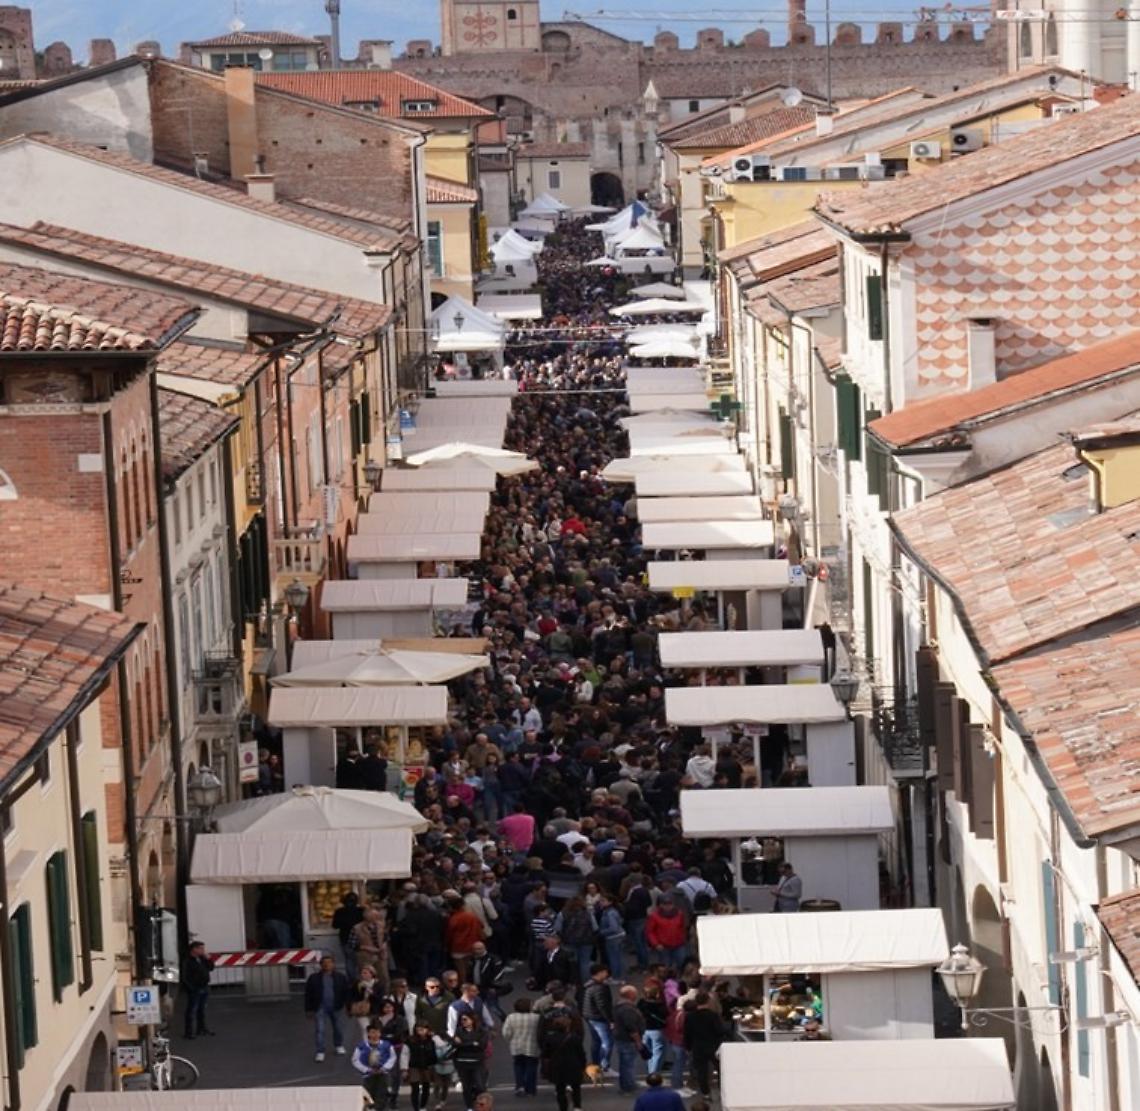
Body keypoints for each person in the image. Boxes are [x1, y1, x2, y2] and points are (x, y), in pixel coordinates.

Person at [305, 954, 350, 1062]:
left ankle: (338, 1045)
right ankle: (320, 1051)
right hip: (320, 1007)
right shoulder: (313, 978)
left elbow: (346, 993)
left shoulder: (341, 977)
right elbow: (308, 994)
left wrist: (348, 1006)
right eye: (324, 963)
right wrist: (308, 1009)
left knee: (338, 1028)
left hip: (336, 1006)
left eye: (329, 962)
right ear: (321, 965)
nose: (327, 965)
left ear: (333, 964)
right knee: (320, 1030)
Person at [682, 992, 726, 1099]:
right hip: (713, 1046)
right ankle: (722, 1090)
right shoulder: (713, 1015)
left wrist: (688, 1047)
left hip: (698, 1046)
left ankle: (705, 1092)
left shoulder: (690, 1016)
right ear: (708, 1001)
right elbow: (720, 1031)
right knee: (720, 1069)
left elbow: (687, 1033)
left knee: (702, 1071)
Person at [542, 1014, 586, 1111]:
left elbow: (546, 1054)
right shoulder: (574, 1038)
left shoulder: (550, 1038)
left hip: (557, 1066)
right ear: (568, 1026)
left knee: (560, 1089)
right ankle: (577, 1106)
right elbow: (581, 1053)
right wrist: (583, 1065)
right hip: (573, 1065)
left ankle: (563, 1107)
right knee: (576, 1087)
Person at [449, 1011, 490, 1111]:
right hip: (462, 1062)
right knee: (466, 1086)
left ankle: (481, 1104)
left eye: (465, 1019)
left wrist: (464, 1043)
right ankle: (469, 1106)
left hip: (477, 1061)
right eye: (462, 1019)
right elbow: (455, 1044)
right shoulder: (458, 1031)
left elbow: (482, 1045)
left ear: (472, 1020)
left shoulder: (481, 1031)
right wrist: (472, 1043)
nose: (463, 1021)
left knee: (480, 1086)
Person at [501, 996, 542, 1097]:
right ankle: (530, 1089)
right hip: (532, 1046)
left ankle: (520, 1086)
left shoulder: (511, 1017)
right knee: (531, 1067)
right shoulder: (536, 1018)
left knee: (518, 1066)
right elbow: (541, 1032)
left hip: (516, 1047)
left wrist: (510, 1040)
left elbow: (506, 1033)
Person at [352, 1022, 398, 1106]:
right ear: (368, 1033)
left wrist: (384, 1068)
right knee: (368, 1095)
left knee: (382, 1095)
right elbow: (355, 1060)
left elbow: (392, 1057)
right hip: (368, 1075)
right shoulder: (362, 1046)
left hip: (383, 1074)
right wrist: (366, 1069)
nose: (375, 1034)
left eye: (377, 1032)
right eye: (373, 1032)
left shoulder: (387, 1045)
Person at [405, 1019, 447, 1111]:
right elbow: (405, 1054)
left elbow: (442, 1045)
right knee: (415, 1088)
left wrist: (434, 1037)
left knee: (426, 1087)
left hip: (428, 1066)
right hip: (414, 1066)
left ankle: (422, 1106)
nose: (420, 1032)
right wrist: (404, 1068)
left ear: (427, 1029)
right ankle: (416, 1108)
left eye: (423, 1029)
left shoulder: (432, 1040)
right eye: (418, 1029)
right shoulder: (410, 1040)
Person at [613, 984, 647, 1094]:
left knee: (624, 1064)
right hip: (628, 1041)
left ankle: (626, 1084)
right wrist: (638, 1041)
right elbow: (631, 1027)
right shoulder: (628, 1009)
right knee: (629, 1064)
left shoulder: (619, 1006)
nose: (637, 995)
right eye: (635, 993)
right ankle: (629, 1086)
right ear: (630, 995)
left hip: (622, 1039)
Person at [581, 964, 614, 1073]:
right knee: (607, 1043)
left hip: (589, 1016)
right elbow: (602, 1006)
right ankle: (603, 1066)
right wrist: (610, 1020)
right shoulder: (599, 987)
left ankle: (596, 1064)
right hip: (598, 1018)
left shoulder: (587, 985)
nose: (607, 974)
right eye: (605, 972)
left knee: (596, 1042)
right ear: (599, 973)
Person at [445, 896, 485, 983]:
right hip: (471, 944)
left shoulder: (453, 919)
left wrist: (447, 944)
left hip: (457, 946)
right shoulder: (471, 916)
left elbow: (449, 934)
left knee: (460, 969)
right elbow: (481, 927)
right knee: (468, 967)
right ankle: (470, 983)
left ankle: (463, 985)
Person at [180, 940, 215, 1039]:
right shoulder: (187, 960)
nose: (203, 951)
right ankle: (189, 1032)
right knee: (192, 1010)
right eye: (201, 948)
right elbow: (184, 976)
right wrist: (191, 988)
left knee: (202, 1009)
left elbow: (211, 968)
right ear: (194, 949)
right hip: (195, 988)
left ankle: (201, 1029)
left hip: (204, 986)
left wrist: (209, 959)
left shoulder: (202, 959)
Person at [470, 941, 508, 1021]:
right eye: (475, 949)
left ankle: (505, 1020)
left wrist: (494, 986)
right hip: (477, 987)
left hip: (488, 987)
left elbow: (499, 973)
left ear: (484, 948)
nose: (478, 951)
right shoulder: (473, 959)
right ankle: (481, 1025)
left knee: (493, 1007)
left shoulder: (493, 959)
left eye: (480, 949)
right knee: (477, 1007)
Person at [645, 899, 687, 970]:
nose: (668, 907)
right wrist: (656, 944)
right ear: (661, 905)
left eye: (670, 904)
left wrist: (683, 938)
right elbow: (650, 931)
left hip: (678, 944)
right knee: (665, 968)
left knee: (682, 965)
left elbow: (683, 927)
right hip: (664, 946)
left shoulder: (680, 914)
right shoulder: (654, 916)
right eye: (665, 904)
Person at [638, 982, 668, 1075]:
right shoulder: (660, 1005)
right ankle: (653, 1074)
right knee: (657, 1053)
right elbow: (666, 1015)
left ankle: (650, 1070)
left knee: (649, 1052)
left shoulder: (641, 1003)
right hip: (657, 1030)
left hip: (644, 1030)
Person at [333, 891, 365, 979]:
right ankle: (363, 979)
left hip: (345, 938)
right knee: (361, 961)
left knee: (349, 960)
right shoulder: (361, 911)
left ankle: (352, 981)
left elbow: (335, 926)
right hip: (360, 939)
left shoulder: (339, 911)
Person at [349, 963, 383, 1038]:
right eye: (362, 973)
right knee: (365, 1028)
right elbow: (352, 996)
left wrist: (371, 993)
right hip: (361, 1010)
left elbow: (379, 999)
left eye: (365, 973)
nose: (362, 974)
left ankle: (373, 1045)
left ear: (372, 974)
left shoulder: (378, 984)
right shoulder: (358, 984)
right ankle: (367, 1047)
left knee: (374, 1029)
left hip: (374, 1010)